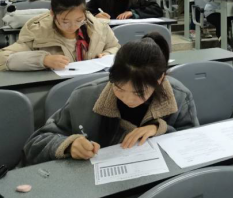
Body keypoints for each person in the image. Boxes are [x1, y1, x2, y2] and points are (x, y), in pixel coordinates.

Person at [22, 32, 198, 166]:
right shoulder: (84, 97)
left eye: (139, 93)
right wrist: (68, 145)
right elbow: (35, 143)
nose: (128, 99)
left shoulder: (179, 96)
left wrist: (159, 129)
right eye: (119, 88)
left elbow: (194, 144)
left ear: (160, 79)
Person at [0, 0, 120, 72]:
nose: (73, 26)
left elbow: (115, 47)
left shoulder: (97, 26)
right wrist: (43, 60)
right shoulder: (37, 31)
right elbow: (3, 58)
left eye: (79, 20)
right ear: (53, 14)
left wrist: (107, 54)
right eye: (65, 21)